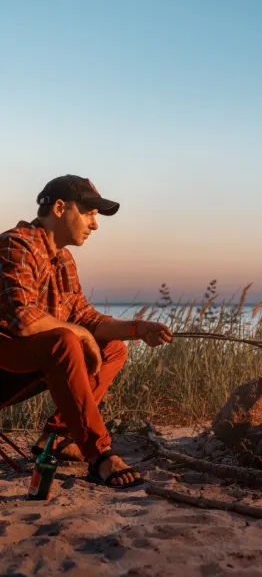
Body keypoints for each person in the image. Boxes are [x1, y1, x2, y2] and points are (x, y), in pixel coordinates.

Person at [0, 175, 173, 488]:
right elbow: (24, 320)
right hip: (5, 366)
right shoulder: (17, 243)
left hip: (28, 362)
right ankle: (99, 455)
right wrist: (81, 335)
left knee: (114, 347)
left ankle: (60, 437)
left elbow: (85, 317)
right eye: (90, 213)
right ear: (60, 207)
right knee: (66, 339)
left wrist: (137, 328)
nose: (95, 224)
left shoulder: (63, 259)